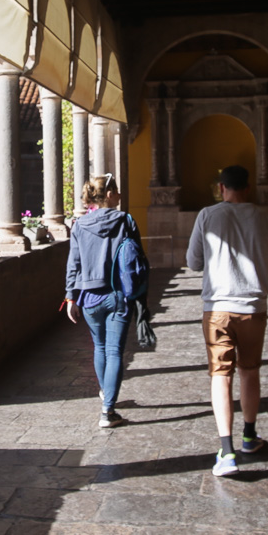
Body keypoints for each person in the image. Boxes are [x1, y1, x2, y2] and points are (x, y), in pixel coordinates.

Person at [186, 164, 268, 477]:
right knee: (250, 371)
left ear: (222, 188)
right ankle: (249, 437)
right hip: (253, 306)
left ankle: (226, 452)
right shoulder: (263, 217)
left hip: (218, 308)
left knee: (220, 375)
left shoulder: (207, 215)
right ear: (247, 187)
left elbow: (193, 261)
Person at [64, 173, 147, 429]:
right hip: (118, 294)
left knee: (100, 348)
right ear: (109, 194)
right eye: (117, 191)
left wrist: (70, 297)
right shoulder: (126, 221)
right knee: (114, 352)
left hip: (89, 297)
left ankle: (106, 395)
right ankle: (107, 411)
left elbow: (73, 263)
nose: (120, 195)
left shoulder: (79, 224)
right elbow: (138, 260)